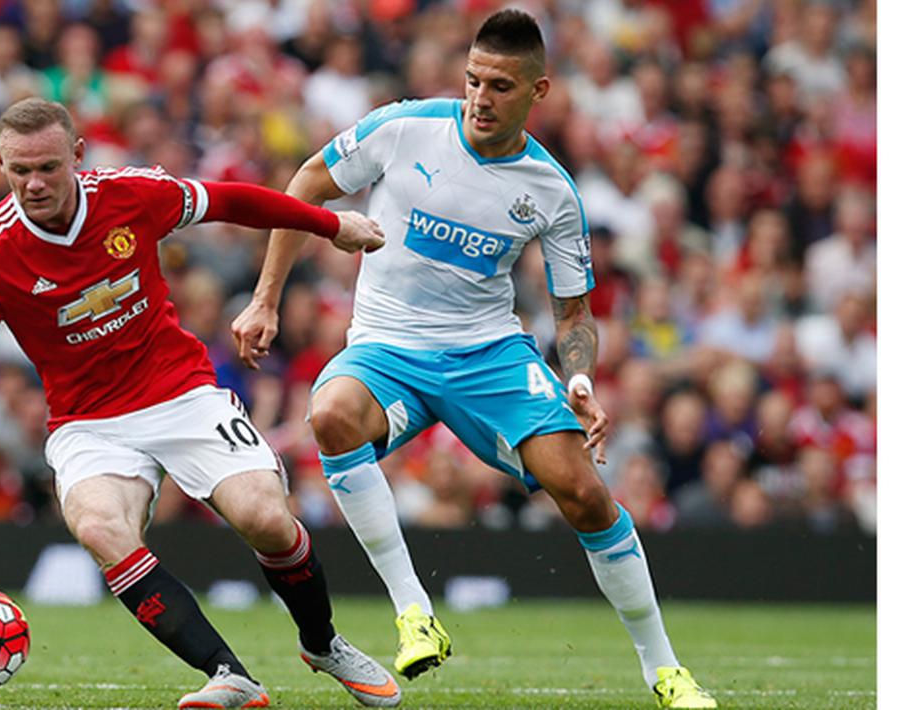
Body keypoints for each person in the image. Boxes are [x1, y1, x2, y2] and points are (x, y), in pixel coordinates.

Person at [231, 10, 716, 709]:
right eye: (472, 80)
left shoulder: (550, 190)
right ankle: (412, 612)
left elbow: (573, 315)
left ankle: (664, 671)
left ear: (537, 91)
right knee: (330, 415)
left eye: (499, 86)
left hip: (486, 353)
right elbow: (306, 183)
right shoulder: (402, 128)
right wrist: (266, 300)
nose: (480, 98)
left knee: (581, 492)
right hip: (386, 347)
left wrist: (578, 378)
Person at [0, 98, 400, 710]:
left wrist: (330, 226)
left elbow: (232, 200)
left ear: (77, 155)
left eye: (46, 167)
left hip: (180, 392)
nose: (33, 184)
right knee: (99, 526)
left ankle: (323, 643)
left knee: (267, 519)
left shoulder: (131, 194)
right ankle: (229, 676)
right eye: (18, 171)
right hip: (87, 422)